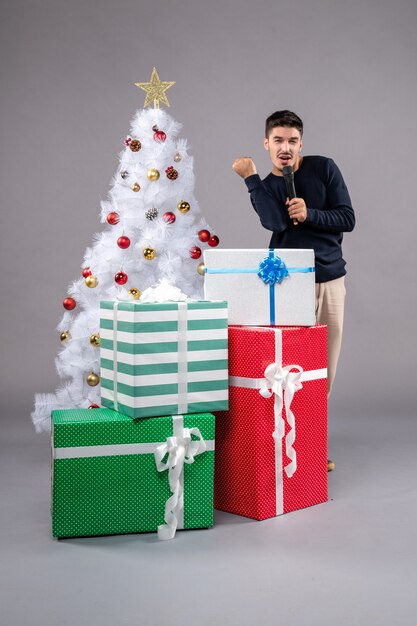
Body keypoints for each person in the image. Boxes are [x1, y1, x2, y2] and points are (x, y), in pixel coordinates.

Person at [232, 110, 355, 471]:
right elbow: (273, 222)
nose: (285, 148)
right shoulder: (266, 184)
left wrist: (311, 212)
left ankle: (312, 448)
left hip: (329, 280)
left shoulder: (324, 168)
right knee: (288, 370)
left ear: (301, 143)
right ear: (266, 143)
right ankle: (282, 447)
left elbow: (347, 218)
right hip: (288, 284)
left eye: (292, 141)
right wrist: (252, 179)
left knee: (322, 370)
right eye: (278, 141)